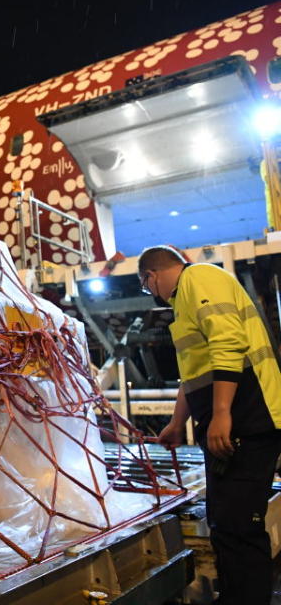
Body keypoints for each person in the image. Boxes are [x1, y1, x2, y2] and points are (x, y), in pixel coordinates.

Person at [143, 245, 281, 605]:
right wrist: (177, 423)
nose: (151, 294)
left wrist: (222, 413)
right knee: (223, 521)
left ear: (151, 277)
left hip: (251, 417)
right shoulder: (183, 305)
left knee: (240, 525)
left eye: (147, 288)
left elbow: (227, 344)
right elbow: (194, 375)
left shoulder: (199, 277)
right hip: (233, 422)